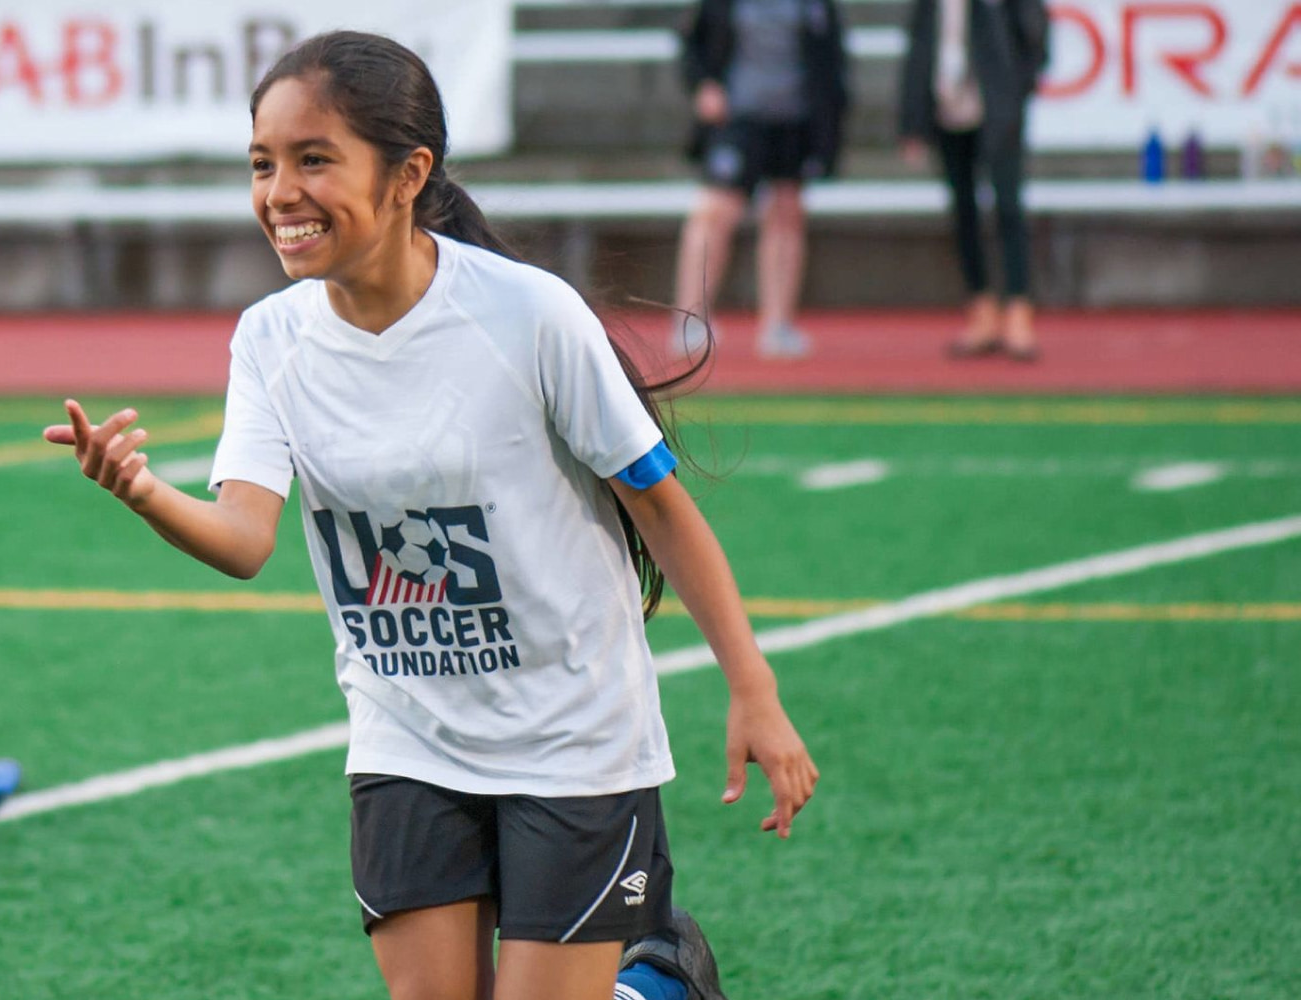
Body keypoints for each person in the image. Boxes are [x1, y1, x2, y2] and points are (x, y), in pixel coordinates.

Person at [44, 31, 817, 1000]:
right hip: (406, 731)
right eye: (262, 163)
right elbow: (244, 539)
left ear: (409, 173)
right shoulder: (270, 337)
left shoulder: (527, 316)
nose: (279, 192)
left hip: (571, 736)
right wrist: (141, 489)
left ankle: (656, 980)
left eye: (313, 159)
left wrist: (754, 689)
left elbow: (659, 507)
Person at [672, 0, 847, 359]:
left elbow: (831, 61)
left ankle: (778, 325)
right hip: (738, 119)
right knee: (714, 213)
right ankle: (690, 319)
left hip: (794, 121)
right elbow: (692, 44)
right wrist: (704, 85)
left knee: (786, 213)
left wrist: (827, 131)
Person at [899, 0, 1049, 361]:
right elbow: (920, 47)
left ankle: (1017, 309)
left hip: (997, 109)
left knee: (1009, 207)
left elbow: (1035, 36)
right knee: (963, 211)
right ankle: (980, 307)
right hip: (948, 109)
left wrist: (1014, 92)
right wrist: (912, 120)